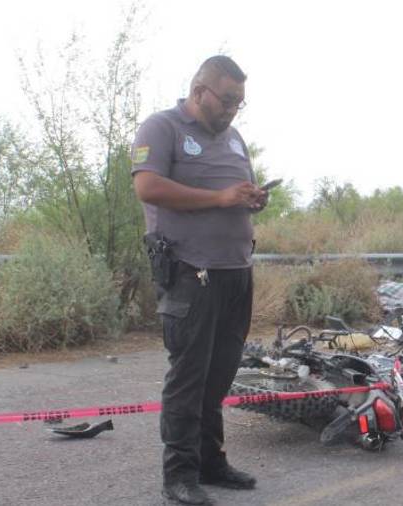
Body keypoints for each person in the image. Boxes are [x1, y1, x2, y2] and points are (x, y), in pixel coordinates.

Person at [131, 55, 265, 506]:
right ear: (198, 91)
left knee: (220, 375)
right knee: (188, 378)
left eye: (239, 102)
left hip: (235, 271)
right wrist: (220, 197)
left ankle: (211, 462)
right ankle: (179, 476)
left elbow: (233, 195)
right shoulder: (162, 128)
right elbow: (148, 187)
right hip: (191, 272)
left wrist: (250, 198)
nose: (232, 109)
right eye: (226, 99)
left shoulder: (235, 139)